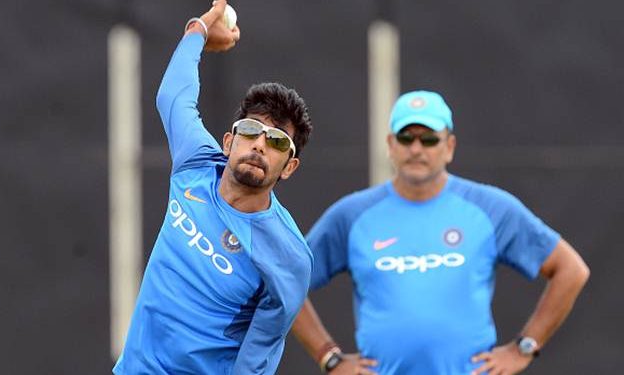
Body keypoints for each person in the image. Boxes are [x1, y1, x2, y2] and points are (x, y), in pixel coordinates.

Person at [291, 90, 590, 375]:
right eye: (406, 137)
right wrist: (328, 356)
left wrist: (523, 348)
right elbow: (287, 282)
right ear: (390, 145)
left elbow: (571, 270)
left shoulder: (490, 208)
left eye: (429, 139)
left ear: (449, 147)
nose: (416, 149)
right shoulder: (352, 215)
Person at [113, 1, 314, 374]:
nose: (259, 145)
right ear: (228, 141)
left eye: (276, 142)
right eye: (251, 131)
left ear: (289, 167)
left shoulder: (288, 255)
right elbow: (173, 95)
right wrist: (198, 31)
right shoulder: (197, 164)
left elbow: (257, 360)